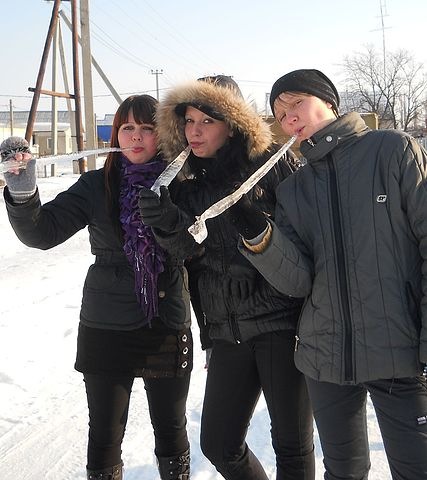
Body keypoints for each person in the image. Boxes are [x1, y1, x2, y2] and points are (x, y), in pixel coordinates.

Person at [229, 68, 427, 479]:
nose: (289, 119)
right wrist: (260, 235)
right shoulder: (294, 188)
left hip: (399, 348)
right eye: (280, 115)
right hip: (326, 358)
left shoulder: (393, 151)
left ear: (329, 101)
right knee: (342, 472)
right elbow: (298, 281)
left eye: (296, 103)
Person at [1, 95, 192, 480]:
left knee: (171, 429)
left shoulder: (184, 184)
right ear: (116, 134)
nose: (136, 137)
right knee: (105, 433)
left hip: (166, 322)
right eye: (127, 128)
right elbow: (42, 233)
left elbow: (197, 250)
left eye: (147, 129)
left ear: (163, 135)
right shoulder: (95, 185)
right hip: (106, 326)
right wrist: (22, 194)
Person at [138, 75, 315, 480]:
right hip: (225, 330)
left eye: (207, 121)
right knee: (218, 443)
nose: (194, 131)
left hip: (279, 323)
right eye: (188, 121)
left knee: (292, 445)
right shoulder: (186, 184)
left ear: (232, 125)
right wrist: (166, 223)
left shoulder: (271, 166)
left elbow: (304, 238)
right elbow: (189, 250)